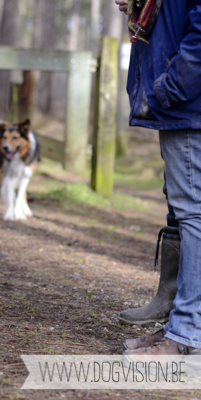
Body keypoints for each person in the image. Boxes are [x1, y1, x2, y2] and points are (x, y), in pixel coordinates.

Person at [116, 0, 201, 358]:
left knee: (193, 215)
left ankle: (186, 334)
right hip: (181, 105)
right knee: (185, 214)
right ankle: (178, 324)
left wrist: (167, 90)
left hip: (187, 106)